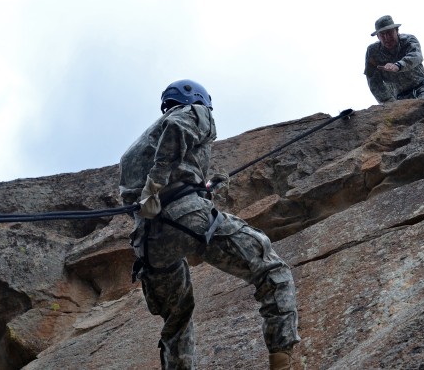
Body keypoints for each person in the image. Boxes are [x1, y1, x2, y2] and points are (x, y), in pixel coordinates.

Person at [119, 79, 300, 370]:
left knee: (177, 319)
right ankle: (283, 361)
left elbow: (141, 195)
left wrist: (200, 186)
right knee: (271, 268)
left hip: (150, 241)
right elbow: (178, 130)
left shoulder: (133, 151)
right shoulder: (195, 111)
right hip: (187, 216)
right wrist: (155, 184)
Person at [364, 15, 424, 104]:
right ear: (378, 36)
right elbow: (373, 81)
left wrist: (398, 65)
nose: (387, 38)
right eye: (382, 35)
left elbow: (416, 56)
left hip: (423, 88)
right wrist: (387, 102)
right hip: (399, 98)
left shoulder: (409, 40)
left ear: (397, 31)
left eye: (389, 32)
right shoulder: (372, 52)